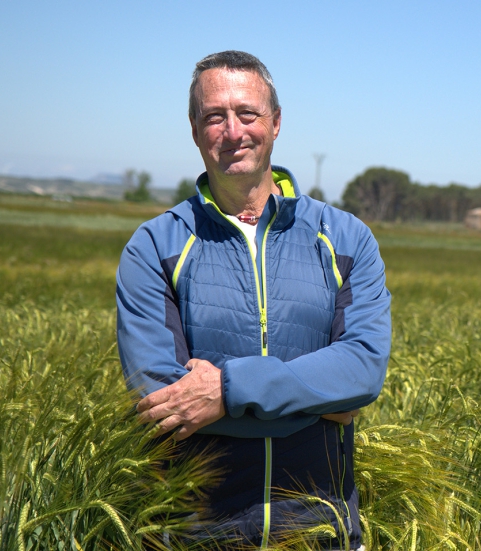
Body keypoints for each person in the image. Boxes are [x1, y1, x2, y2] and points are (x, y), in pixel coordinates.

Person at [116, 50, 391, 550]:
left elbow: (362, 371)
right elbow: (163, 397)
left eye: (248, 114)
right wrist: (316, 402)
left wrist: (225, 389)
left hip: (319, 528)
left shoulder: (346, 238)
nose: (233, 131)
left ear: (277, 122)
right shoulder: (154, 246)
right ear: (195, 130)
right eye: (214, 117)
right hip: (196, 529)